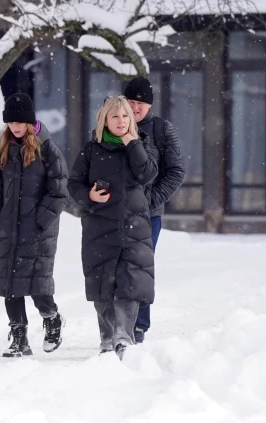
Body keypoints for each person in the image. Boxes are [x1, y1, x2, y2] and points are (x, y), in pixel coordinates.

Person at [67, 96, 157, 360]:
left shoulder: (142, 145)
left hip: (134, 227)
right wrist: (89, 197)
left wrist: (133, 144)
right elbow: (74, 184)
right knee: (103, 284)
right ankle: (107, 338)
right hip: (99, 226)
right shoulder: (92, 149)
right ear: (105, 120)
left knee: (130, 282)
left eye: (126, 116)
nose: (121, 121)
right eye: (115, 116)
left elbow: (148, 174)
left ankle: (123, 337)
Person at [0, 93, 70, 358]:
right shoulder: (2, 152)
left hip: (38, 232)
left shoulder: (47, 150)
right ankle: (19, 338)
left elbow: (59, 192)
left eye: (20, 122)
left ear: (30, 122)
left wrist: (39, 221)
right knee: (10, 283)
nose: (16, 127)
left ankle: (52, 318)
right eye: (11, 122)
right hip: (8, 229)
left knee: (37, 286)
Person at [124, 76, 185, 343]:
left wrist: (152, 200)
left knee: (140, 267)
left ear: (149, 105)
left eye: (140, 103)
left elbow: (176, 172)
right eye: (130, 102)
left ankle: (139, 326)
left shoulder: (162, 130)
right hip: (115, 212)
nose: (135, 107)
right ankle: (117, 324)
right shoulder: (113, 125)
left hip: (149, 214)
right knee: (115, 268)